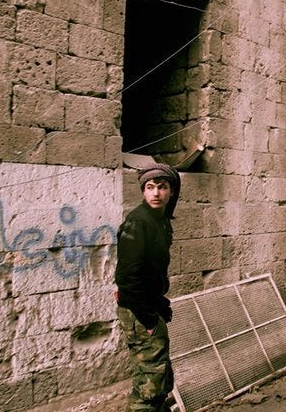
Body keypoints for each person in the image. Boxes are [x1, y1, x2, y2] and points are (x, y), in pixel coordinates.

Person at [115, 163, 181, 411]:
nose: (155, 193)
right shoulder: (138, 221)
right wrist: (148, 319)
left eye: (162, 187)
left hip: (148, 307)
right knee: (150, 384)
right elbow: (127, 277)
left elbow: (150, 271)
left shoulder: (160, 221)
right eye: (150, 188)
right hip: (138, 311)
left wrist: (161, 304)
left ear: (171, 191)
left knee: (158, 376)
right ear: (143, 191)